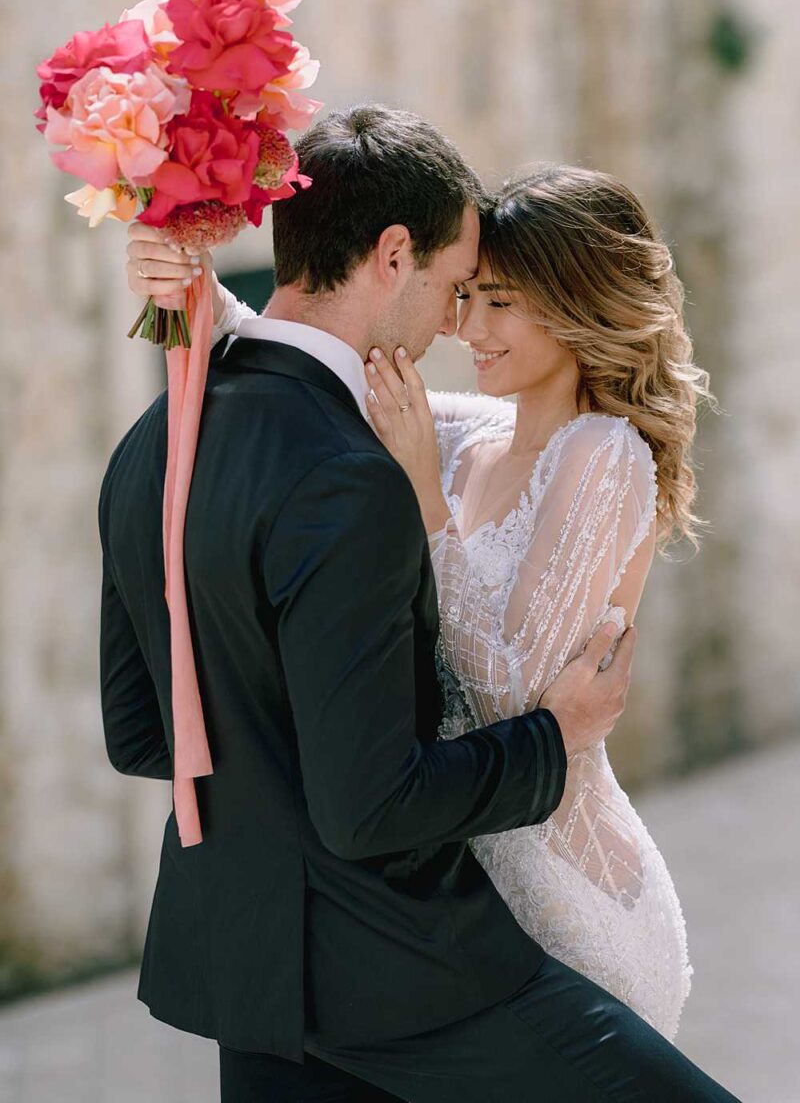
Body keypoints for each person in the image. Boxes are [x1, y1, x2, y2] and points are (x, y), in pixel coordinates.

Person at [108, 105, 739, 1100]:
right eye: (461, 289)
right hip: (413, 954)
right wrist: (554, 733)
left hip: (304, 959)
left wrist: (189, 304)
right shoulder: (369, 467)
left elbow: (148, 731)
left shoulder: (160, 444)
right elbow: (368, 804)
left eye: (496, 303)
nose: (459, 324)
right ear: (394, 254)